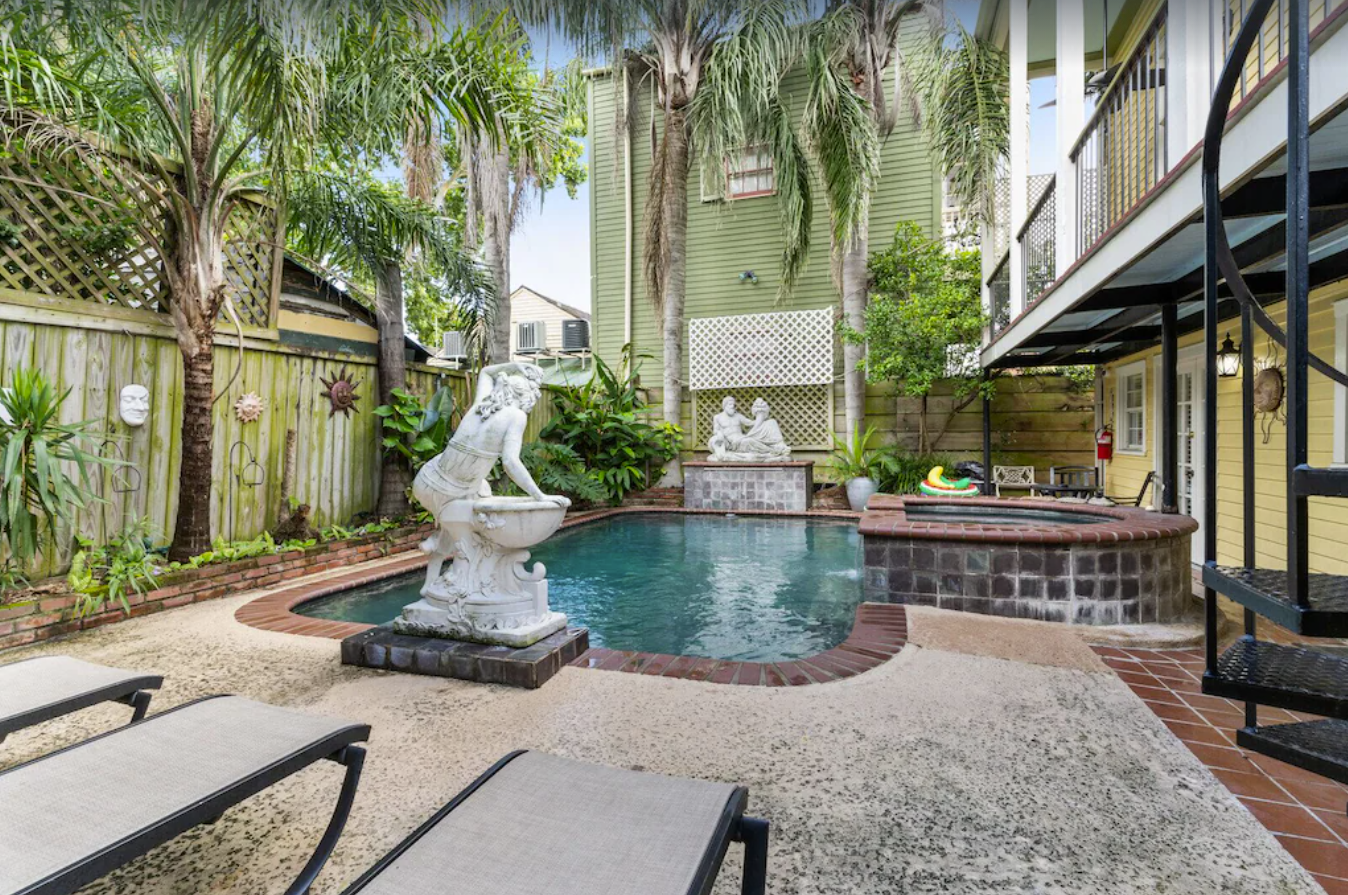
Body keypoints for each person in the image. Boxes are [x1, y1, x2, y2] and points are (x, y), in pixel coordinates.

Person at [413, 362, 569, 600]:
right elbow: (510, 463)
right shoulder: (515, 416)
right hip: (453, 491)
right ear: (525, 396)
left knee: (474, 497)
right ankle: (470, 588)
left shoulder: (481, 405)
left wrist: (515, 365)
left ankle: (430, 580)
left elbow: (486, 372)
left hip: (427, 480)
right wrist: (540, 496)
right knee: (473, 535)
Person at [708, 396, 753, 460]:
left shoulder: (738, 416)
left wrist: (761, 420)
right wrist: (719, 432)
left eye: (733, 404)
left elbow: (749, 423)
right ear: (724, 405)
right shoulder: (718, 417)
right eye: (730, 404)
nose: (732, 406)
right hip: (728, 442)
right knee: (714, 440)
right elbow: (715, 430)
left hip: (740, 440)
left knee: (750, 441)